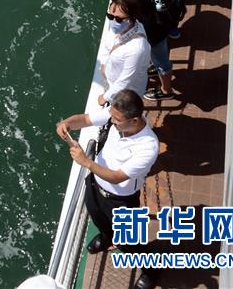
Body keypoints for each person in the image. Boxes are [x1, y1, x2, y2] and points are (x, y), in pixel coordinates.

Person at [45, 0, 175, 100]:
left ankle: (166, 91)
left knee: (161, 60)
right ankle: (156, 67)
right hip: (160, 16)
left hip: (150, 27)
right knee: (159, 53)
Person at [56, 89, 159, 289]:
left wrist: (86, 162)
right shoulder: (116, 115)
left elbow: (118, 176)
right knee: (97, 218)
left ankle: (151, 268)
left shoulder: (148, 146)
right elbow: (85, 119)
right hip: (95, 187)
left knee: (130, 242)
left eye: (117, 120)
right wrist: (67, 123)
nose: (112, 122)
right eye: (111, 116)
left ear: (135, 120)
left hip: (121, 201)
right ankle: (106, 237)